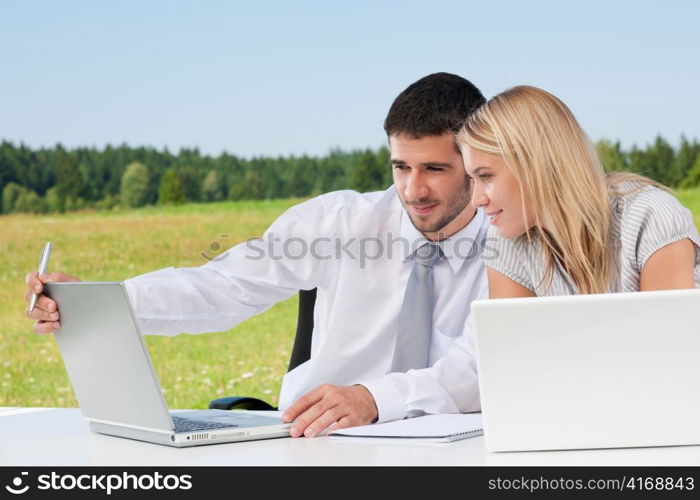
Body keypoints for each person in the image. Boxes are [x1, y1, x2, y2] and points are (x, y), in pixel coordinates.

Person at [25, 72, 491, 437]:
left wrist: (375, 398)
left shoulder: (507, 241)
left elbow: (478, 366)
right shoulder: (337, 221)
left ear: (475, 160)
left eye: (434, 168)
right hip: (319, 437)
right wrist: (104, 301)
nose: (413, 189)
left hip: (456, 445)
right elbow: (222, 287)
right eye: (400, 167)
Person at [457, 85, 700, 299]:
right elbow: (513, 349)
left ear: (537, 165)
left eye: (485, 176)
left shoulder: (650, 217)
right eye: (472, 179)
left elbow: (665, 346)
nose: (477, 200)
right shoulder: (508, 238)